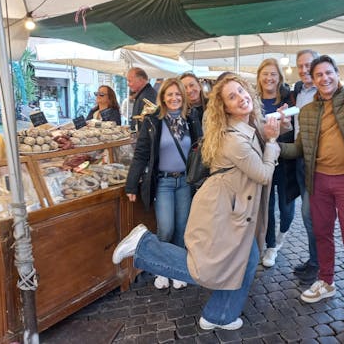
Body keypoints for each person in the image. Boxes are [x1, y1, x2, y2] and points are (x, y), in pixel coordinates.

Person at [113, 75, 281, 330]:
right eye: (232, 97)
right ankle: (144, 246)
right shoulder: (234, 138)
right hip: (221, 208)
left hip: (232, 207)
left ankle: (219, 315)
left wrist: (275, 130)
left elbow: (260, 142)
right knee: (206, 268)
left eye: (241, 91)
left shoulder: (245, 127)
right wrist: (272, 142)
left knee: (247, 259)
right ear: (224, 107)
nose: (241, 97)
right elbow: (263, 173)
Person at [279, 55, 344, 330]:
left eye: (328, 73)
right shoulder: (306, 112)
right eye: (318, 75)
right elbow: (298, 149)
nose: (324, 78)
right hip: (317, 180)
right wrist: (270, 142)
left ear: (337, 74)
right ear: (312, 79)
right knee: (321, 234)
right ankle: (326, 281)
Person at [124, 78, 198, 290]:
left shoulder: (191, 119)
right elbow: (141, 154)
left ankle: (177, 269)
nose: (174, 98)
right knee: (165, 229)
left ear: (183, 97)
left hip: (185, 181)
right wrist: (131, 185)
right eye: (170, 94)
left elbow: (200, 150)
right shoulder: (152, 121)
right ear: (163, 97)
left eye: (178, 94)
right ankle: (160, 268)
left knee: (182, 229)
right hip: (163, 182)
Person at [256, 58, 299, 268]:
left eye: (273, 74)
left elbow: (294, 132)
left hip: (285, 160)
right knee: (267, 205)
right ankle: (271, 246)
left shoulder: (288, 101)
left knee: (287, 207)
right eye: (265, 74)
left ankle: (281, 236)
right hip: (263, 160)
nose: (269, 78)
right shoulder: (254, 102)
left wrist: (286, 125)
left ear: (279, 77)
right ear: (259, 77)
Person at [291, 49, 320, 284]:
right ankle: (314, 260)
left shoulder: (326, 91)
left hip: (317, 163)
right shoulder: (299, 91)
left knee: (311, 214)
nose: (303, 70)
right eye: (300, 66)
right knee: (309, 216)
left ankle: (319, 265)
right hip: (299, 158)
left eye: (308, 65)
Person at [126, 67, 157, 131]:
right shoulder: (144, 94)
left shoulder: (148, 95)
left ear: (141, 80)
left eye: (130, 81)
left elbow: (149, 124)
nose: (128, 84)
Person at [179, 72, 205, 141]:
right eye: (184, 88)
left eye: (192, 85)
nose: (189, 90)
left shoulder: (214, 106)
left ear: (199, 86)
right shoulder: (181, 113)